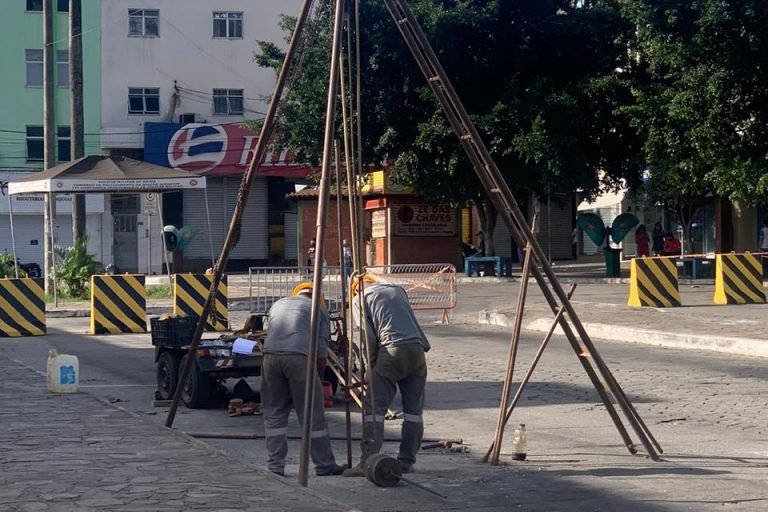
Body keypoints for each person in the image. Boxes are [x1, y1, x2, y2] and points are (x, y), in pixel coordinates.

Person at [344, 275, 431, 476]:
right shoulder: (398, 290)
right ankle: (406, 461)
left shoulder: (360, 299)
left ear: (355, 290)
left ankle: (367, 461)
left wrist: (370, 366)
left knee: (373, 408)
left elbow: (367, 335)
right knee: (413, 412)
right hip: (417, 350)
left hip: (391, 350)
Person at [261, 283, 346, 477]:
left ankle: (275, 466)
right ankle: (324, 465)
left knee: (274, 413)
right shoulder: (318, 309)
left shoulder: (279, 303)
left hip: (270, 357)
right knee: (311, 414)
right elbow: (322, 352)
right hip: (299, 358)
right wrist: (319, 380)